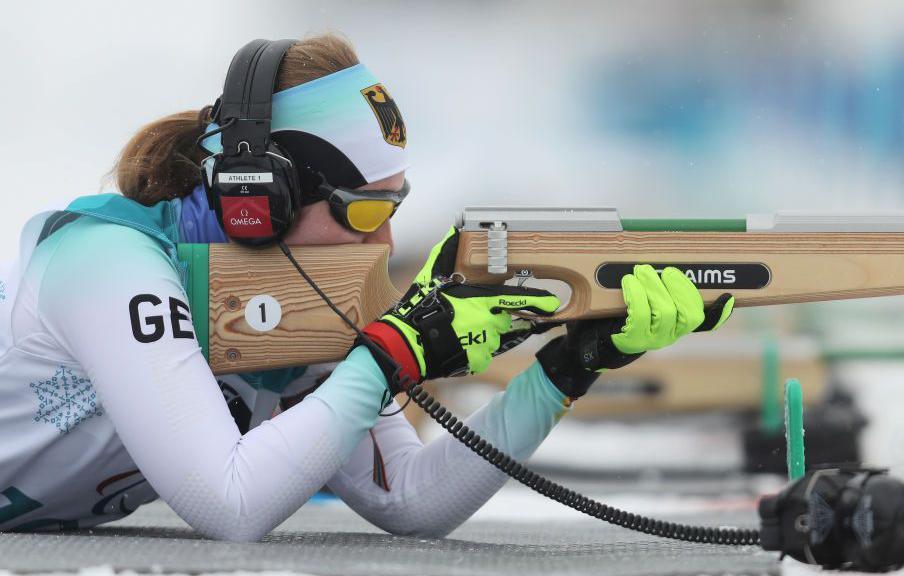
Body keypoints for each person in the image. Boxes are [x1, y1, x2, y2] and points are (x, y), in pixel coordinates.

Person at [0, 34, 734, 541]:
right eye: (364, 212)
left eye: (395, 209)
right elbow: (229, 505)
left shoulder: (287, 309)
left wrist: (565, 370)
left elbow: (410, 498)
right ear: (266, 197)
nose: (384, 244)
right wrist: (387, 358)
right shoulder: (110, 265)